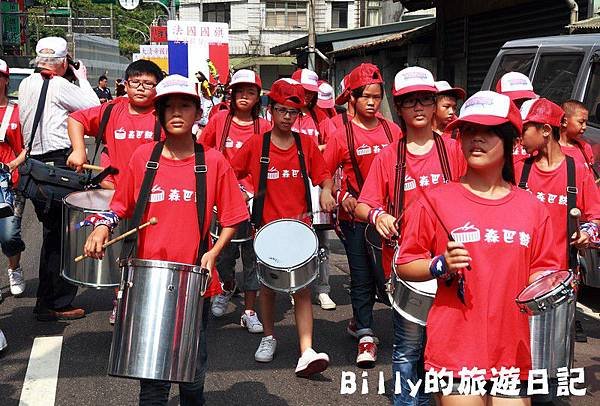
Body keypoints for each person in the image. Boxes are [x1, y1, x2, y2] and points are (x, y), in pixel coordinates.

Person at [83, 74, 249, 405]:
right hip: (147, 276)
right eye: (168, 107)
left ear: (197, 112)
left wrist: (214, 252)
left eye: (184, 106)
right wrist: (103, 227)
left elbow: (232, 218)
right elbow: (121, 205)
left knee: (192, 368)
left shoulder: (212, 161)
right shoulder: (144, 157)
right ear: (159, 114)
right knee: (152, 377)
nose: (176, 113)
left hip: (193, 278)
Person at [395, 90, 560, 405]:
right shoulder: (434, 201)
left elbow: (543, 271)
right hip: (455, 350)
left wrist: (549, 286)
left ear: (511, 141)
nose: (476, 139)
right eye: (469, 131)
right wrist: (439, 265)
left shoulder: (532, 207)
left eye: (488, 131)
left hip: (514, 350)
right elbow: (406, 263)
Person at [355, 66, 466, 403]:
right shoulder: (389, 157)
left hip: (453, 264)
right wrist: (379, 215)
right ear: (399, 109)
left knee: (448, 345)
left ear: (435, 105)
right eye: (410, 102)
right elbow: (363, 205)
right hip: (409, 267)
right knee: (407, 348)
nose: (419, 107)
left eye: (425, 100)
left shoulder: (455, 150)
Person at [230, 78, 336, 377]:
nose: (287, 117)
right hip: (266, 230)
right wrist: (241, 190)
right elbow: (232, 173)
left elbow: (324, 175)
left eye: (294, 112)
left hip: (300, 229)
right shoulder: (256, 145)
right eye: (281, 110)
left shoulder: (306, 145)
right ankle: (268, 336)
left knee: (302, 290)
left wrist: (327, 190)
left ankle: (306, 350)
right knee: (268, 288)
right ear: (270, 112)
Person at [67, 59, 165, 324]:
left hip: (153, 197)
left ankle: (149, 303)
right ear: (125, 84)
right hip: (116, 196)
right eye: (136, 83)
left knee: (150, 253)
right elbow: (76, 119)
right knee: (120, 253)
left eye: (149, 84)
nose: (142, 89)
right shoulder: (112, 110)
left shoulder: (163, 114)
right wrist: (79, 149)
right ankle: (121, 299)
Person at [323, 63, 402, 368]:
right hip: (355, 219)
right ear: (352, 99)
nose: (371, 102)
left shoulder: (392, 130)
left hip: (388, 219)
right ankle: (366, 335)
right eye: (365, 96)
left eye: (376, 96)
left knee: (390, 274)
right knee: (361, 275)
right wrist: (337, 195)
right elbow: (325, 173)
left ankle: (368, 322)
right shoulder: (340, 134)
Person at [18, 36, 99, 321]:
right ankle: (55, 302)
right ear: (64, 62)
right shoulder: (60, 84)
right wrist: (82, 78)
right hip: (58, 166)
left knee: (52, 235)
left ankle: (46, 299)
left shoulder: (27, 84)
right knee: (64, 237)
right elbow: (93, 108)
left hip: (37, 168)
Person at [516, 97, 600, 343]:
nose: (519, 136)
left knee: (556, 346)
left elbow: (594, 216)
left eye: (524, 129)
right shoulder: (518, 167)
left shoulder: (577, 170)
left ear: (545, 130)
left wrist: (587, 234)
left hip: (560, 275)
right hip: (521, 273)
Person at [200, 69, 271, 331]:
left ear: (257, 97)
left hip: (254, 201)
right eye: (239, 91)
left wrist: (250, 191)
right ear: (231, 94)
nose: (244, 96)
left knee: (253, 256)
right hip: (221, 200)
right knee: (224, 255)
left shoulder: (264, 127)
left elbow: (268, 162)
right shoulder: (219, 120)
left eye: (250, 92)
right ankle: (227, 285)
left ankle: (250, 310)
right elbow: (202, 149)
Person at [291, 68, 337, 310]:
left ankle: (323, 288)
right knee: (293, 238)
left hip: (315, 185)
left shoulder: (320, 117)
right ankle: (295, 285)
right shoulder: (283, 114)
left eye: (310, 93)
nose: (307, 97)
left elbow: (334, 144)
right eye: (303, 92)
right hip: (289, 186)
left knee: (321, 240)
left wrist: (315, 149)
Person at [0, 58, 27, 301]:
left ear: (6, 80)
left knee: (9, 235)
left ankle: (14, 268)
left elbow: (25, 148)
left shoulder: (16, 112)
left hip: (10, 185)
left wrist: (13, 164)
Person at [559, 99, 595, 173]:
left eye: (586, 123)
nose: (585, 127)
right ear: (565, 122)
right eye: (581, 122)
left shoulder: (585, 148)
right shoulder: (550, 149)